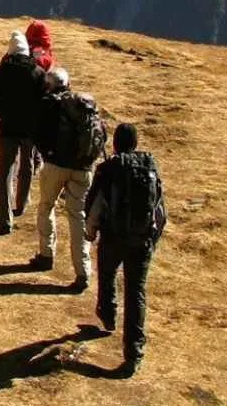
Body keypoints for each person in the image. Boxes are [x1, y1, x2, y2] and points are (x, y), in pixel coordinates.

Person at [85, 123, 167, 375]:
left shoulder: (108, 169)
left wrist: (91, 233)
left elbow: (95, 207)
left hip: (113, 238)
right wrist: (152, 238)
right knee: (136, 292)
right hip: (142, 241)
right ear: (136, 143)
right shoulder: (149, 167)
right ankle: (134, 352)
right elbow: (160, 210)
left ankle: (108, 315)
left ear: (115, 144)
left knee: (108, 275)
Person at [29, 67, 106, 289]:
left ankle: (46, 253)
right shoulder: (85, 107)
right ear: (68, 83)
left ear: (49, 84)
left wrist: (47, 153)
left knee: (46, 206)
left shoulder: (49, 104)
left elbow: (36, 133)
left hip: (55, 165)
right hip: (83, 169)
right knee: (78, 217)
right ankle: (83, 272)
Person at [0, 31, 44, 234]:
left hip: (8, 129)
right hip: (30, 129)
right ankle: (22, 203)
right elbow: (45, 102)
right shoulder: (37, 72)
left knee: (5, 173)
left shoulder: (1, 71)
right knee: (26, 166)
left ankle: (4, 220)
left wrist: (3, 112)